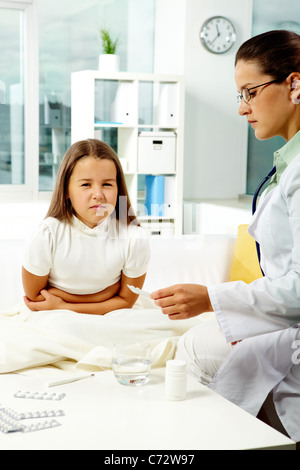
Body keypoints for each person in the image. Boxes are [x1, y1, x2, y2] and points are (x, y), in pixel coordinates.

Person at [151, 30, 300, 442]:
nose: (242, 109)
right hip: (283, 324)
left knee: (194, 357)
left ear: (295, 83)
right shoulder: (288, 163)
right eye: (240, 95)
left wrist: (210, 297)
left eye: (250, 92)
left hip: (292, 330)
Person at [23, 138, 150, 315]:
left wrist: (63, 305)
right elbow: (35, 298)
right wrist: (108, 293)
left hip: (107, 317)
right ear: (66, 190)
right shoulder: (47, 233)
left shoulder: (134, 237)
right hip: (53, 317)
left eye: (107, 184)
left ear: (118, 188)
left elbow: (127, 301)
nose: (98, 195)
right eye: (85, 184)